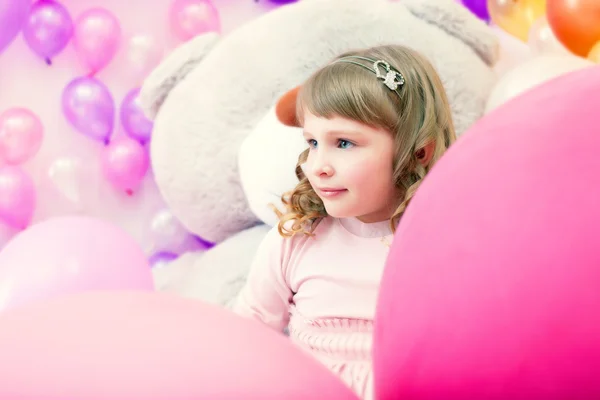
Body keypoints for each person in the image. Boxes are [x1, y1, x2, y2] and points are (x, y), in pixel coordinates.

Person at [233, 44, 456, 399]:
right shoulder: (296, 237)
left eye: (344, 143)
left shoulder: (443, 247)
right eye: (312, 141)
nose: (318, 164)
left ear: (417, 151)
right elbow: (246, 336)